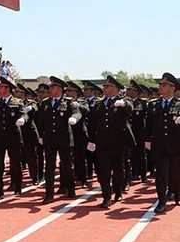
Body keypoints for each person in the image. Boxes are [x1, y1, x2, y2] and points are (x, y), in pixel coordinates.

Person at [87, 76, 134, 209]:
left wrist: (123, 104)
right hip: (102, 142)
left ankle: (118, 191)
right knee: (103, 170)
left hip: (118, 142)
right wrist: (91, 141)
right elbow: (94, 124)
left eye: (107, 87)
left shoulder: (124, 101)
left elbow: (130, 107)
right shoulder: (99, 104)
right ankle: (106, 196)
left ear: (116, 89)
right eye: (105, 87)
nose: (105, 89)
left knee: (119, 169)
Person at [38, 76, 82, 204]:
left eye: (52, 87)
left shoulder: (69, 102)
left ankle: (71, 188)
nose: (50, 89)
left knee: (67, 165)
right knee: (50, 167)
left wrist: (74, 118)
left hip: (64, 138)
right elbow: (41, 120)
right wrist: (40, 135)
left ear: (59, 89)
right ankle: (49, 194)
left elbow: (77, 112)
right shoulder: (45, 103)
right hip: (49, 139)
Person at [0, 77, 28, 200]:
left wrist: (22, 119)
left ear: (7, 89)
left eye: (0, 87)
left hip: (13, 137)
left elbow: (23, 113)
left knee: (15, 164)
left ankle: (17, 185)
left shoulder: (17, 102)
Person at [144, 72, 180, 214]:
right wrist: (147, 140)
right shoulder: (153, 105)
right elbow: (149, 125)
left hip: (176, 145)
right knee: (161, 174)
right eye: (160, 84)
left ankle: (177, 194)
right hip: (159, 145)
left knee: (176, 172)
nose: (161, 87)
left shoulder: (178, 104)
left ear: (172, 88)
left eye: (164, 85)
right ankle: (162, 201)